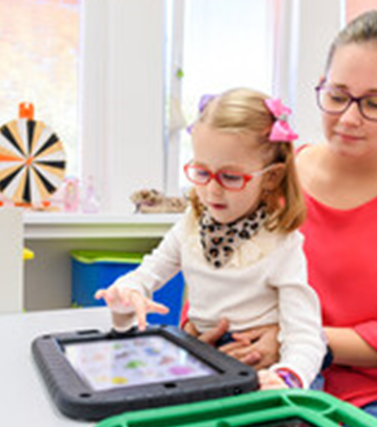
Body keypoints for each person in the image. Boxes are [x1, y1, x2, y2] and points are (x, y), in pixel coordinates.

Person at [185, 10, 377, 427]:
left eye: (375, 103)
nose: (349, 119)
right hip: (265, 379)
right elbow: (210, 282)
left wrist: (299, 338)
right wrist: (203, 332)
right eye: (337, 96)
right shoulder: (271, 177)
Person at [95, 88, 326, 391]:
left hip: (268, 369)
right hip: (205, 357)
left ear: (271, 177)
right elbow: (147, 273)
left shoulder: (282, 243)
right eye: (202, 172)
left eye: (231, 178)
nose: (212, 191)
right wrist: (127, 294)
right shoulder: (189, 227)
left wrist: (288, 375)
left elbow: (306, 335)